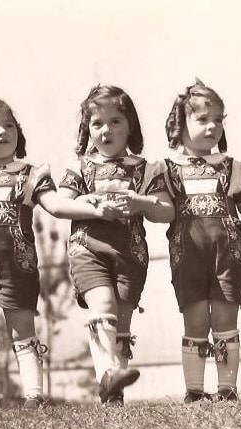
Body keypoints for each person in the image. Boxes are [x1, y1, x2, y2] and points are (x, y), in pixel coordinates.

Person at [0, 94, 117, 409]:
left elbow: (55, 205)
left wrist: (88, 206)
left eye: (9, 125)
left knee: (22, 329)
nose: (3, 132)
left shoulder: (29, 174)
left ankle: (34, 394)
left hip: (18, 265)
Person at [58, 85, 175, 407]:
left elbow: (167, 211)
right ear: (87, 130)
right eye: (97, 123)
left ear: (130, 126)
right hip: (88, 248)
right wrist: (91, 205)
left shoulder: (147, 168)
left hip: (130, 253)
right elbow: (61, 204)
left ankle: (113, 393)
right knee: (103, 307)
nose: (106, 130)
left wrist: (140, 202)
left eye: (115, 121)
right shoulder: (80, 167)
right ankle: (108, 373)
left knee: (121, 321)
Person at [160, 79, 241, 403]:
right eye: (203, 119)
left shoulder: (232, 167)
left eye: (218, 119)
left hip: (228, 254)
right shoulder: (167, 170)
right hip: (187, 255)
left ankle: (227, 389)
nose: (213, 126)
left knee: (224, 317)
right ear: (180, 126)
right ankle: (193, 390)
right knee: (196, 319)